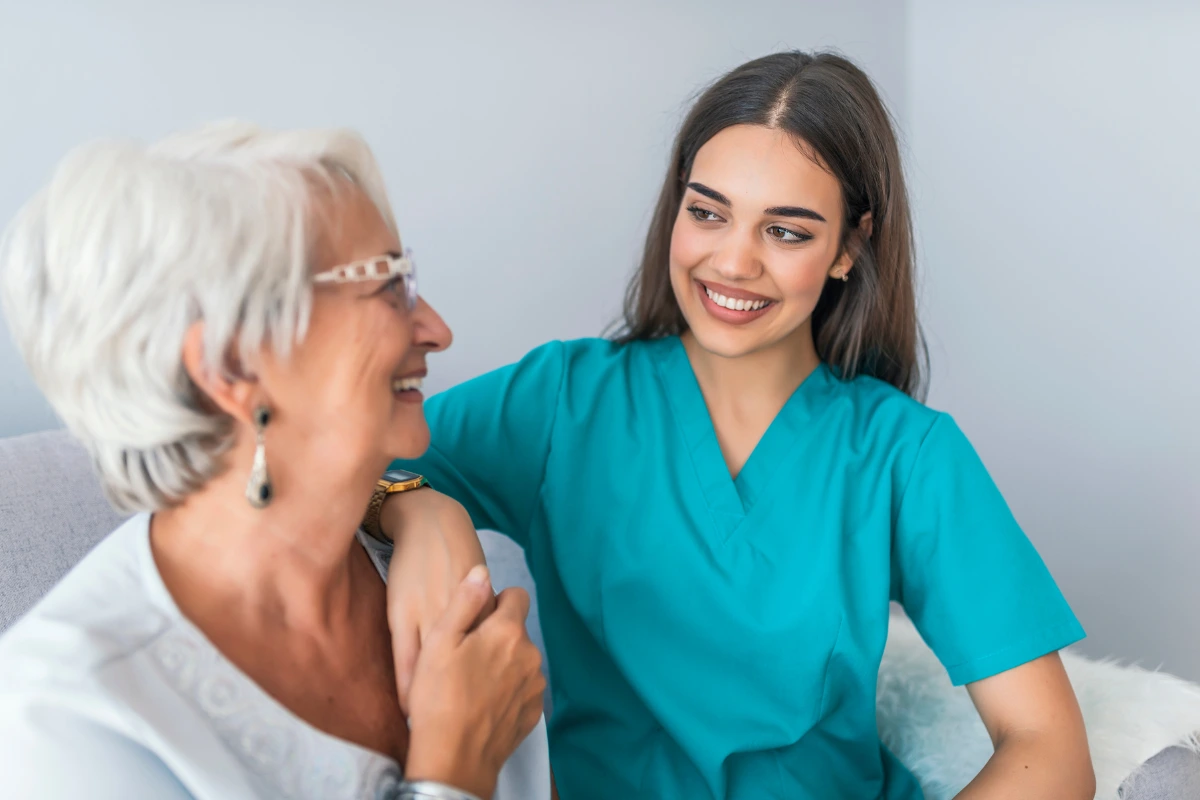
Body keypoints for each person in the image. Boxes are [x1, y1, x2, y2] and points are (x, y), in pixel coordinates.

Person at [377, 52, 1096, 798]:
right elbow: (345, 463)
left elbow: (1048, 748)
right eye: (708, 212)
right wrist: (417, 509)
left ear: (849, 247)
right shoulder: (562, 401)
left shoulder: (906, 456)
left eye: (786, 232)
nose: (733, 262)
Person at [0, 122, 550, 800]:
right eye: (388, 287)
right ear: (231, 364)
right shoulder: (59, 721)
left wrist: (416, 503)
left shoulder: (438, 580)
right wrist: (455, 767)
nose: (438, 329)